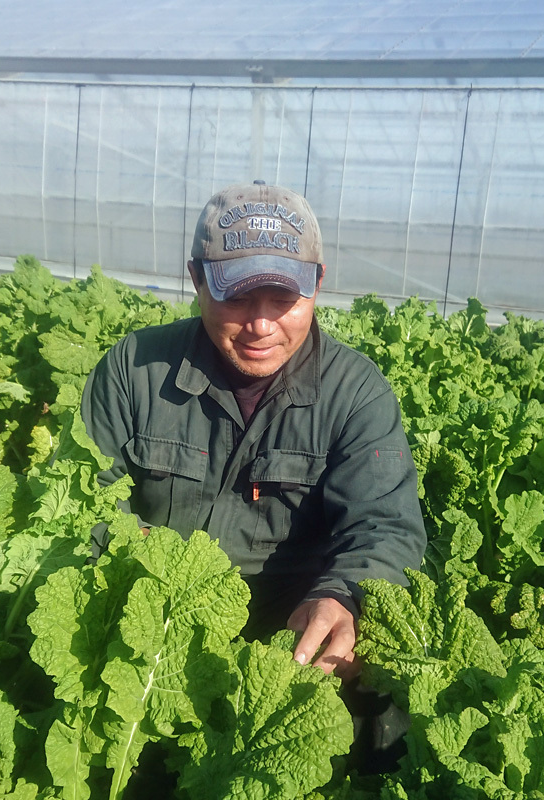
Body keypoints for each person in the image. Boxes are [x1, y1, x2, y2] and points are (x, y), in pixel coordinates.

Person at [81, 179, 426, 701]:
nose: (261, 325)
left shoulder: (356, 392)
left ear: (317, 283)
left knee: (391, 697)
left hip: (287, 642)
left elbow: (385, 527)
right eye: (238, 297)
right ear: (196, 278)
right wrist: (140, 561)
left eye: (283, 298)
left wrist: (342, 597)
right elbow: (82, 501)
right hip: (148, 620)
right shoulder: (135, 369)